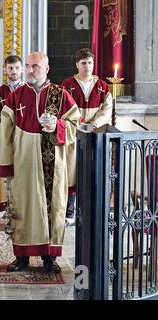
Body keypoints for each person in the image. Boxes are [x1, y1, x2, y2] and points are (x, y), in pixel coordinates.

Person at [0, 52, 80, 273]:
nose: (31, 70)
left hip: (54, 165)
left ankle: (49, 258)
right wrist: (5, 164)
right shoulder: (16, 96)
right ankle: (21, 257)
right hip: (23, 163)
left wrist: (57, 127)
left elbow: (75, 125)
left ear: (47, 68)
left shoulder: (60, 96)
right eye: (28, 66)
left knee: (53, 210)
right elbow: (5, 132)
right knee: (23, 208)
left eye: (36, 66)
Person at [61, 48, 113, 227]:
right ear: (77, 65)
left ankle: (91, 212)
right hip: (73, 135)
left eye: (90, 62)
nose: (87, 66)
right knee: (71, 173)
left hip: (95, 136)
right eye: (83, 63)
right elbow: (63, 107)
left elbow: (106, 110)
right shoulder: (67, 85)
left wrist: (94, 125)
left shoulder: (103, 87)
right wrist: (79, 124)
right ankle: (69, 212)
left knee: (93, 172)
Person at [0, 55, 24, 213]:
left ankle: (23, 209)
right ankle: (6, 210)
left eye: (17, 68)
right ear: (5, 70)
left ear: (22, 69)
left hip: (25, 142)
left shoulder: (28, 91)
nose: (14, 71)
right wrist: (3, 140)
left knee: (23, 174)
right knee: (5, 175)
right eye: (10, 68)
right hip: (4, 143)